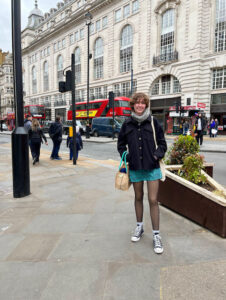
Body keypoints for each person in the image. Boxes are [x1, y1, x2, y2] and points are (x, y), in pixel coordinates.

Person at [117, 92, 167, 254]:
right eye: (137, 103)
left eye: (142, 103)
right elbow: (121, 144)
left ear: (146, 105)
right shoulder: (127, 124)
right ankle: (139, 227)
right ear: (133, 105)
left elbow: (162, 144)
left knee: (153, 200)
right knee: (138, 197)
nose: (139, 105)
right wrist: (127, 156)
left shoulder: (153, 122)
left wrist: (155, 156)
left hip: (152, 167)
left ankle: (156, 235)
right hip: (136, 167)